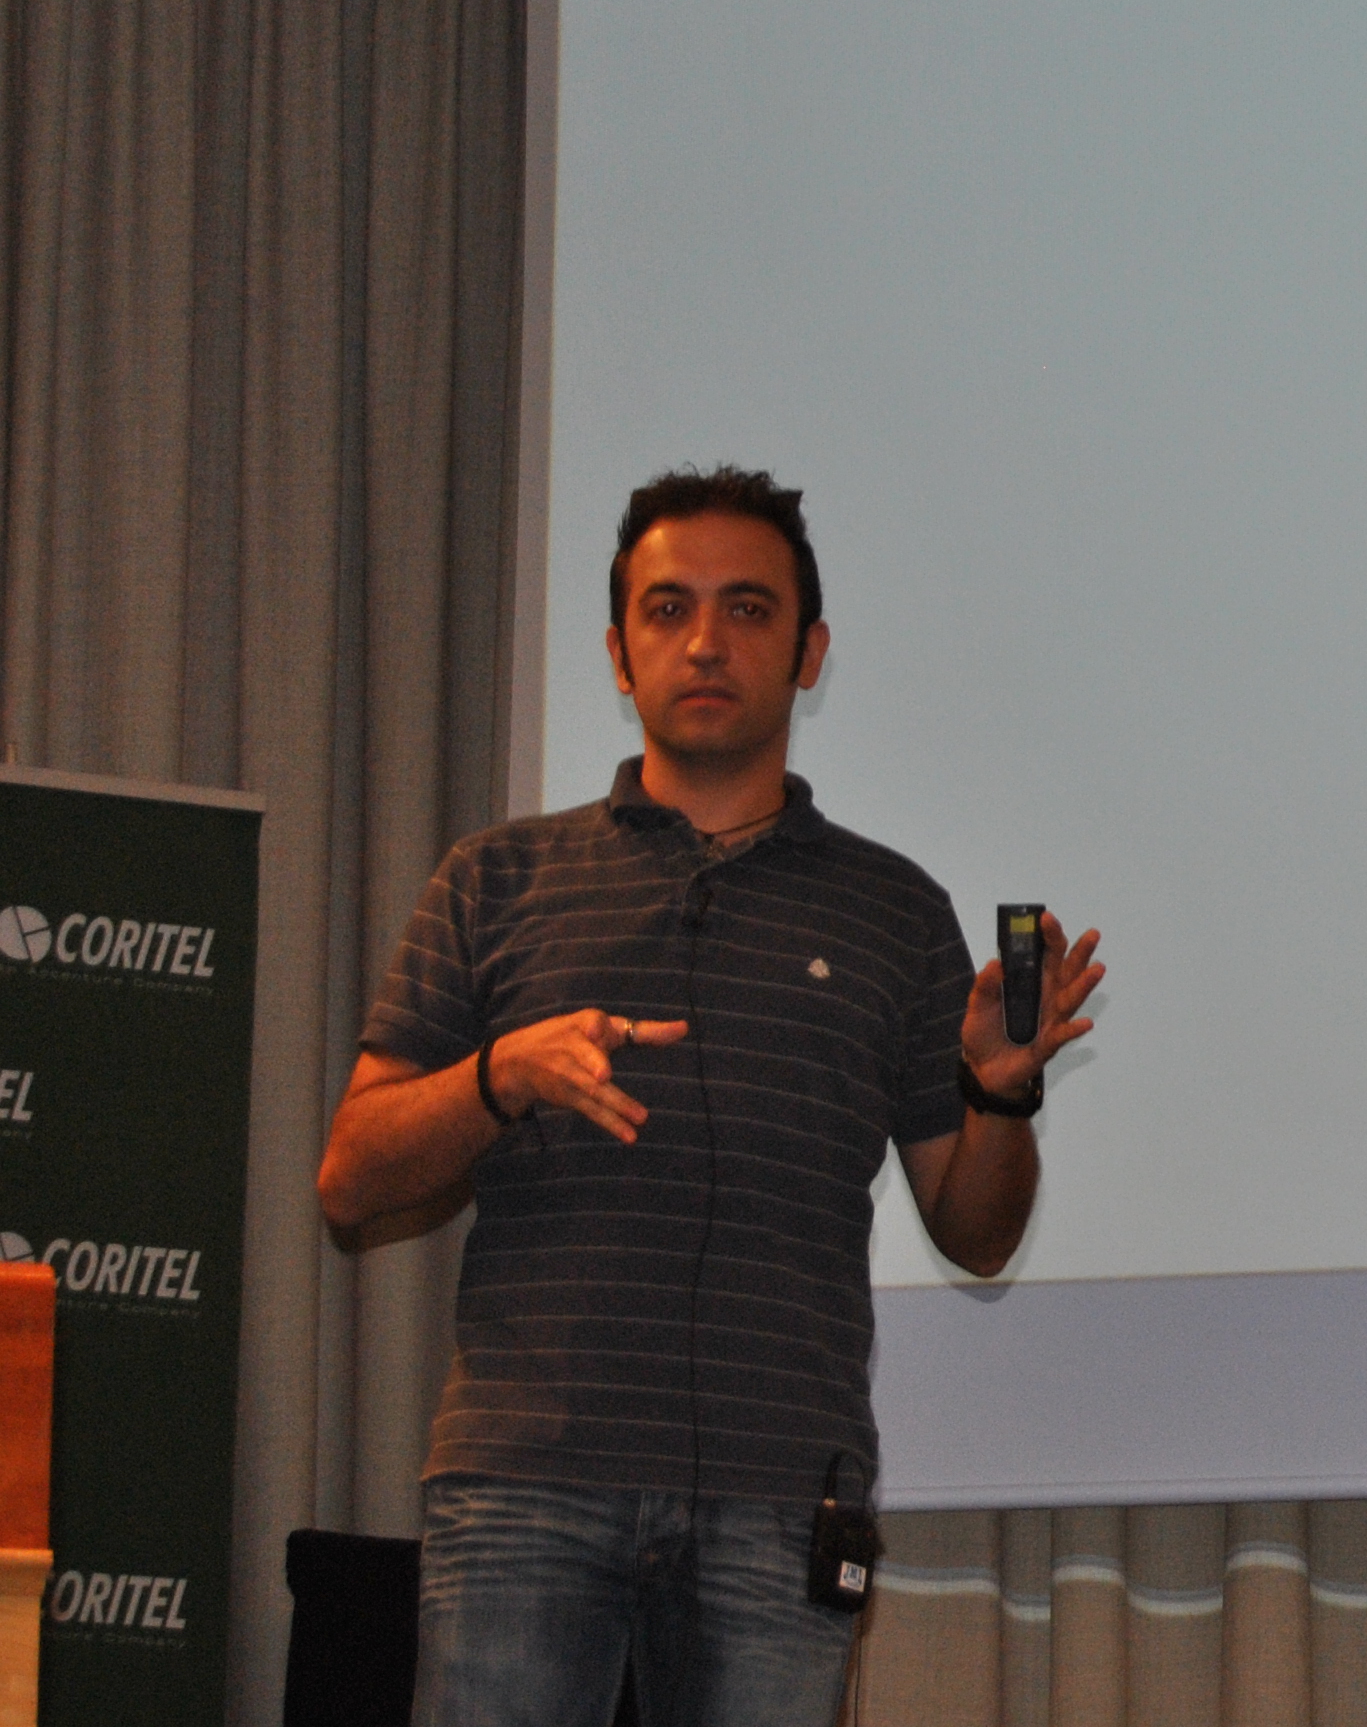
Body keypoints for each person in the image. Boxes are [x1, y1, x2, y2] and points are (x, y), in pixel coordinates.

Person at [318, 464, 1106, 1727]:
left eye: (747, 609)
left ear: (809, 653)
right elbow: (351, 1178)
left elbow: (976, 1233)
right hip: (528, 1481)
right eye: (668, 608)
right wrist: (500, 1076)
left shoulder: (895, 911)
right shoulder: (496, 879)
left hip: (780, 1495)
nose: (704, 641)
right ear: (617, 654)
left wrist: (999, 1097)